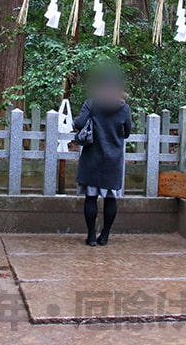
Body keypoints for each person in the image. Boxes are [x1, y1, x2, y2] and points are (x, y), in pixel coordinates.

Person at [73, 70, 132, 246]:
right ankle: (105, 236)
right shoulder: (124, 108)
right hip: (113, 159)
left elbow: (79, 124)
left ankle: (91, 236)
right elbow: (127, 132)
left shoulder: (92, 103)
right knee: (110, 198)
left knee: (91, 198)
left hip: (92, 156)